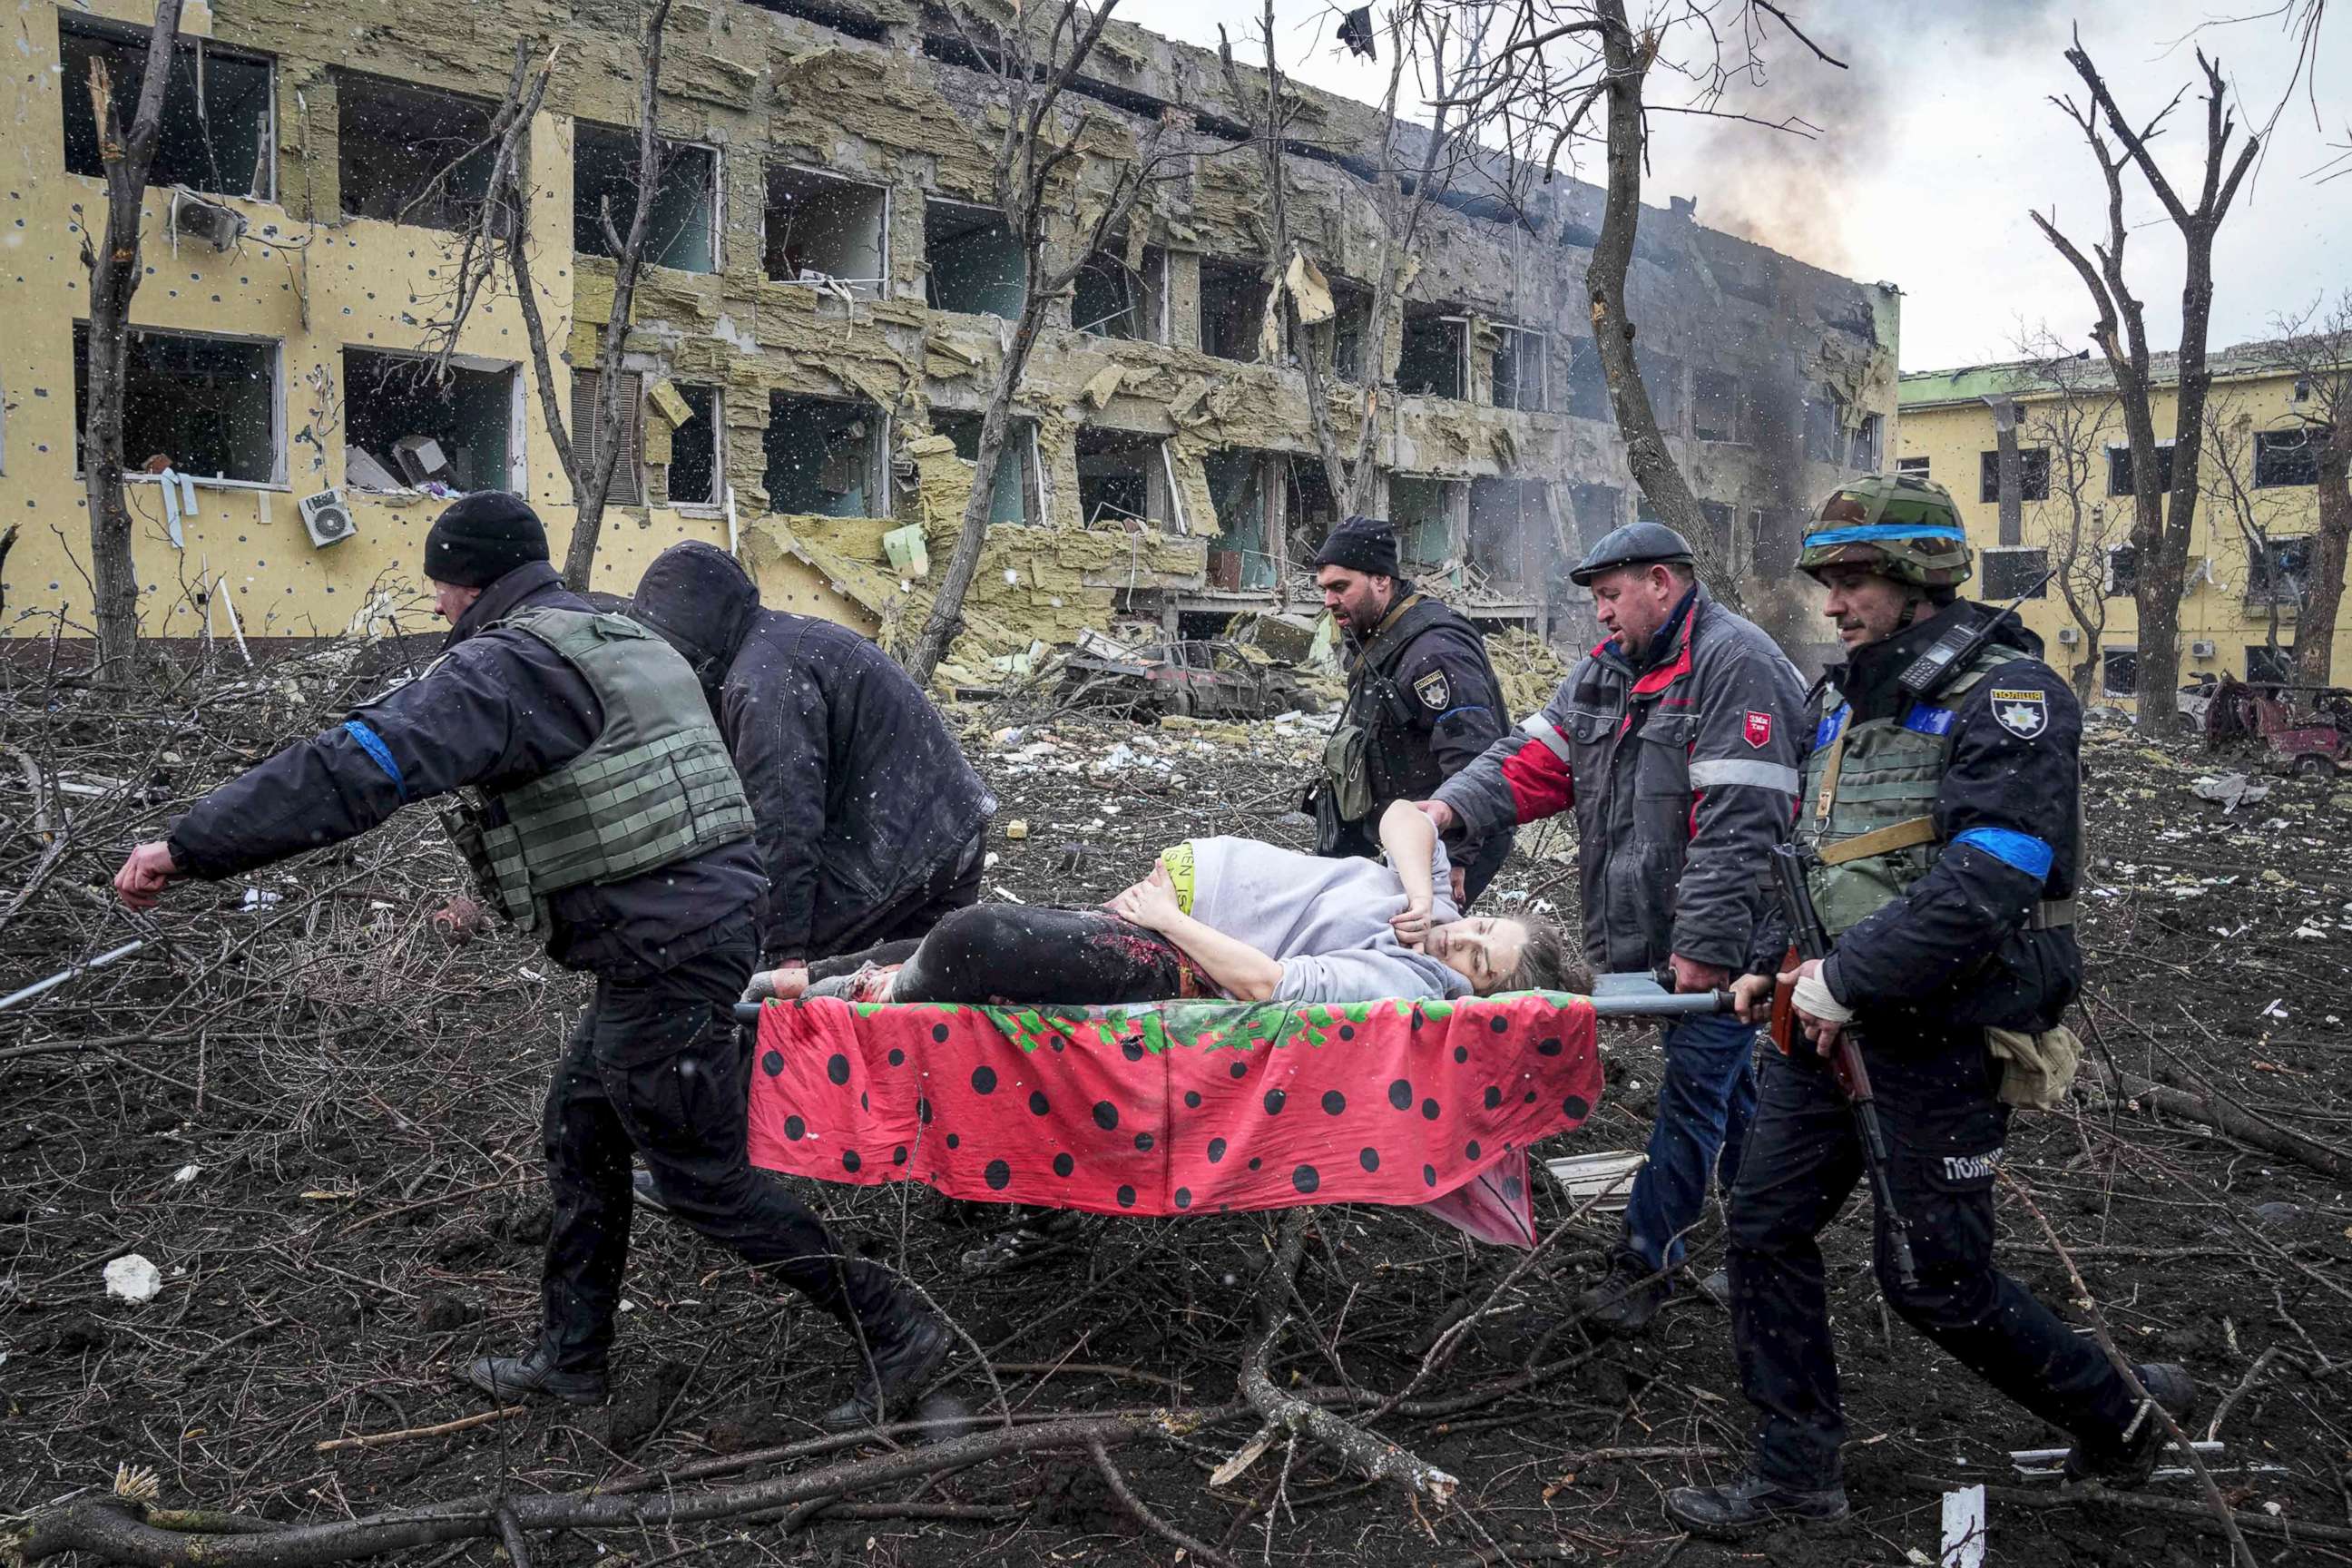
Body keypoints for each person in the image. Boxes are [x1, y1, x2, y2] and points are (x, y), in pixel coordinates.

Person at [111, 495, 950, 1431]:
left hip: (667, 943)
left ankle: (895, 1325)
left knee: (697, 1173)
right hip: (690, 925)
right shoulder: (610, 628)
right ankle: (570, 1359)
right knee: (581, 1129)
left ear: (468, 580)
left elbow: (357, 766)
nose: (435, 607)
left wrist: (190, 847)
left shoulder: (507, 665)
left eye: (438, 585)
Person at [1664, 475, 2194, 1537]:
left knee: (1935, 1281)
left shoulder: (2011, 698)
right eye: (1830, 579)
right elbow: (1827, 863)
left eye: (1854, 578)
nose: (1834, 600)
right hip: (1824, 1029)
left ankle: (2122, 1420)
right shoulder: (1846, 698)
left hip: (1937, 1034)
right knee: (1763, 1227)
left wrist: (1846, 980)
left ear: (1919, 579)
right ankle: (1796, 1481)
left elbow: (1992, 876)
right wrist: (1786, 965)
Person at [1418, 520, 1805, 1331]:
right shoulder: (1605, 674)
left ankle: (1645, 1262)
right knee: (1726, 1087)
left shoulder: (1739, 666)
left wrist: (1703, 948)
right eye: (1596, 599)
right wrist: (1449, 810)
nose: (1599, 614)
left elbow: (1743, 825)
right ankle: (1768, 1232)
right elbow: (1530, 761)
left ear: (1662, 582)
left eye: (1610, 595)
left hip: (1731, 938)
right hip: (1649, 933)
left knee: (1696, 1091)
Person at [629, 542, 995, 1001]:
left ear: (689, 642)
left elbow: (784, 821)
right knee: (920, 1004)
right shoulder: (774, 645)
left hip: (904, 849)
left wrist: (784, 953)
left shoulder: (762, 681)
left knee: (762, 984)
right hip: (946, 829)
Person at [803, 800, 1575, 1007]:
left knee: (977, 938)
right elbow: (1406, 816)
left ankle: (847, 995)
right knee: (969, 938)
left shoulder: (1409, 982)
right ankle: (791, 980)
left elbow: (1270, 986)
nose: (1457, 945)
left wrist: (1171, 921)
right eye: (1479, 929)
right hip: (1171, 905)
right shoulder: (1430, 913)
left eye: (1478, 963)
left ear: (1480, 998)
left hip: (1179, 954)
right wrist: (1420, 893)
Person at [1307, 514, 1515, 906]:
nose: (1329, 601)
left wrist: (1456, 854)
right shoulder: (1381, 635)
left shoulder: (1434, 653)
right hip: (1405, 832)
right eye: (1324, 589)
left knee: (1425, 945)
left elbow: (1473, 758)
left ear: (1382, 579)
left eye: (1340, 587)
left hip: (1444, 839)